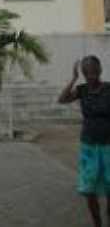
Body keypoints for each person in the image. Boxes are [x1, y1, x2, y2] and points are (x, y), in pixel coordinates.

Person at [59, 56, 110, 227]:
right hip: (89, 146)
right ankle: (97, 224)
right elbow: (62, 99)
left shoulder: (109, 88)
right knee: (89, 190)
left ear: (100, 70)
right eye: (87, 71)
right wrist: (73, 79)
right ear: (83, 73)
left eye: (94, 70)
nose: (91, 74)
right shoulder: (81, 90)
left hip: (108, 145)